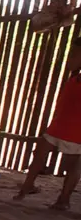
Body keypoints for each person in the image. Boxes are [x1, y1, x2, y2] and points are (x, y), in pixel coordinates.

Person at [14, 36, 81, 210]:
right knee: (39, 154)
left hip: (75, 131)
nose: (70, 58)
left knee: (72, 166)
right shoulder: (75, 79)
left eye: (74, 54)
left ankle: (63, 200)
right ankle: (27, 187)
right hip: (59, 125)